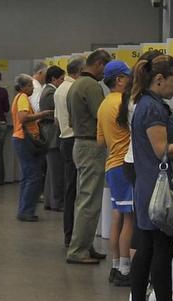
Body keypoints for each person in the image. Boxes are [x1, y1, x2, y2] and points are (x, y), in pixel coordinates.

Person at [127, 54, 173, 301]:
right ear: (159, 80)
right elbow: (161, 148)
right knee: (163, 251)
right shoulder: (152, 109)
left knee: (147, 249)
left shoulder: (147, 104)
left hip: (148, 187)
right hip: (160, 192)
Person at [65, 49, 112, 264]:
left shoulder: (75, 84)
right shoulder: (91, 86)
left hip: (80, 143)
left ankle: (84, 244)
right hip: (91, 145)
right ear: (100, 64)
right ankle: (78, 250)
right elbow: (101, 115)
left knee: (84, 198)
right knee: (89, 201)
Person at [97, 60, 133, 286]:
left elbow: (101, 141)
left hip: (111, 164)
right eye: (128, 76)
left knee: (117, 216)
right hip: (125, 165)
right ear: (119, 79)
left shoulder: (103, 105)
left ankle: (116, 265)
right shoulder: (124, 103)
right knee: (130, 218)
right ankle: (126, 270)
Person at [11, 74, 53, 222]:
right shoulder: (22, 98)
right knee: (34, 176)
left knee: (27, 176)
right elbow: (23, 118)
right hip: (24, 139)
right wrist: (41, 114)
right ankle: (26, 211)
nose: (32, 87)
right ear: (22, 87)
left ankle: (24, 209)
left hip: (19, 138)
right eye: (29, 85)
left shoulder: (19, 98)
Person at [53, 56, 85, 247]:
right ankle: (75, 236)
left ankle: (69, 234)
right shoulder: (75, 89)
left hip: (64, 138)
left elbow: (58, 120)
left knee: (70, 189)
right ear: (80, 71)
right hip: (75, 139)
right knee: (78, 191)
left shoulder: (60, 90)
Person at [40, 65, 66, 212]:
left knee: (51, 171)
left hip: (49, 135)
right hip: (52, 136)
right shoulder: (51, 93)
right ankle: (57, 201)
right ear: (53, 79)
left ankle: (50, 200)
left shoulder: (47, 91)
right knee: (56, 172)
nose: (62, 82)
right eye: (61, 79)